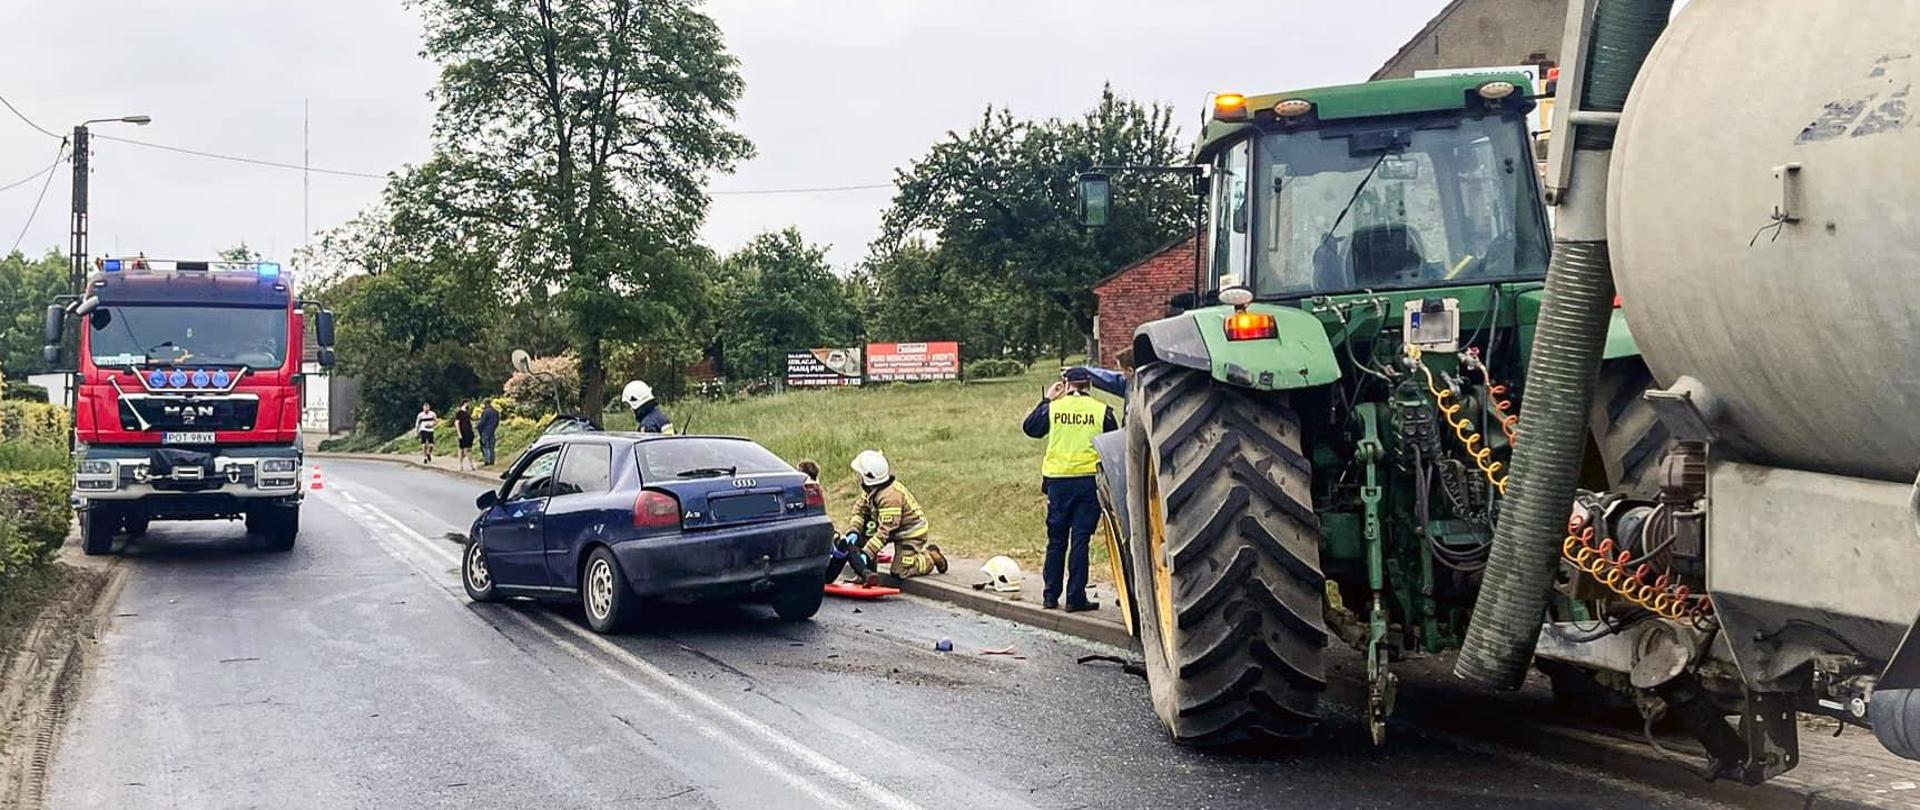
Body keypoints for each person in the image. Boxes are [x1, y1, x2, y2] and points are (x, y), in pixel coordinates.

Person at [1021, 367, 1118, 611]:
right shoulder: (1102, 411)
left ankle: (1050, 596)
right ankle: (1075, 598)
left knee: (1056, 541)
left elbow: (1030, 428)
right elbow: (1114, 444)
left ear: (1065, 384)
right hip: (1088, 482)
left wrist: (1048, 399)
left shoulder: (1053, 409)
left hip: (1058, 482)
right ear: (1090, 385)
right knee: (1080, 540)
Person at [829, 450, 947, 583]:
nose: (859, 477)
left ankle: (930, 557)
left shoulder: (890, 498)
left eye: (860, 474)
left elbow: (885, 532)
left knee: (900, 571)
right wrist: (854, 531)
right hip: (890, 529)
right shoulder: (871, 490)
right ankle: (866, 573)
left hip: (910, 534)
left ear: (869, 476)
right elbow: (860, 511)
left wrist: (866, 553)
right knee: (862, 537)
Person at [476, 400, 500, 466]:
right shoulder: (496, 412)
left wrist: (478, 428)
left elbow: (482, 423)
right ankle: (492, 460)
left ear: (486, 404)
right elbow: (497, 422)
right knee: (492, 446)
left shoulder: (485, 412)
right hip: (492, 431)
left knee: (486, 446)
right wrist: (494, 428)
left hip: (485, 431)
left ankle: (487, 460)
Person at [454, 401, 476, 471]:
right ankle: (460, 464)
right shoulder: (459, 413)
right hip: (463, 432)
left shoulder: (467, 413)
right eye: (467, 404)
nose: (468, 405)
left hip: (469, 432)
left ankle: (471, 464)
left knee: (468, 449)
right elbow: (457, 423)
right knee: (462, 449)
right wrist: (459, 433)